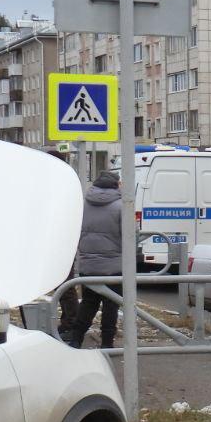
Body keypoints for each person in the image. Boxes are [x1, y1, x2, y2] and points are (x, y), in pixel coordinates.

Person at [70, 171, 123, 349]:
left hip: (88, 264)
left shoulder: (83, 204)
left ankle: (76, 339)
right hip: (114, 266)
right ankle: (107, 343)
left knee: (88, 304)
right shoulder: (121, 206)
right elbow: (131, 235)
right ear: (116, 185)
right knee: (111, 306)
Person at [49, 149, 79, 340]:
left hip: (61, 241)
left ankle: (70, 322)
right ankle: (69, 320)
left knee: (64, 284)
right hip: (58, 240)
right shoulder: (62, 182)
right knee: (62, 284)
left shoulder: (61, 184)